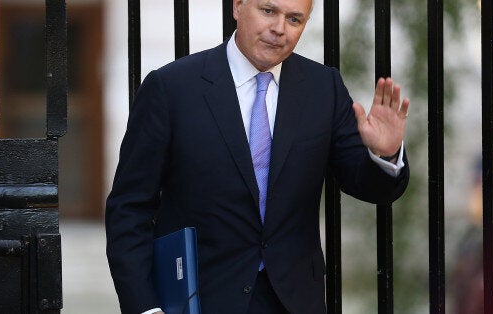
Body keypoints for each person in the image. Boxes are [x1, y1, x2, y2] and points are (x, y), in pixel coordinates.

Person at [105, 0, 411, 313]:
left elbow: (366, 184)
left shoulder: (323, 88)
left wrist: (383, 154)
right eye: (268, 11)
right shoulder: (172, 88)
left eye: (294, 19)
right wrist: (145, 306)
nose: (279, 28)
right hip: (201, 298)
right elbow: (129, 208)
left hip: (294, 300)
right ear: (238, 6)